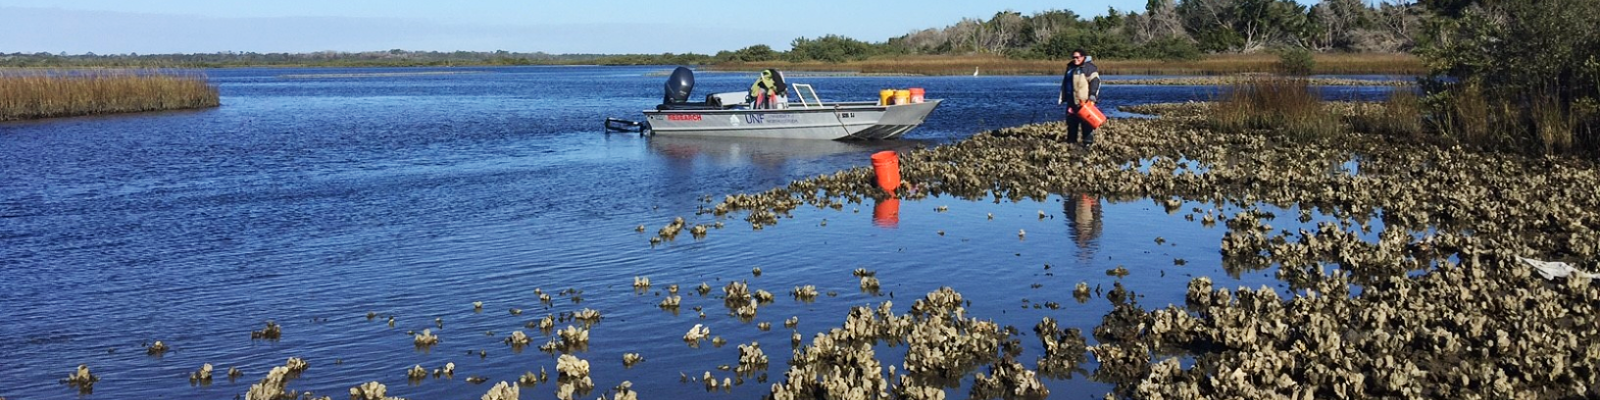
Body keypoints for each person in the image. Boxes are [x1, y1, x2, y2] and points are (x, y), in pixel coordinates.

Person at [1058, 49, 1101, 148]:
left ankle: (1088, 144)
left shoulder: (1089, 68)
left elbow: (1095, 81)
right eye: (1073, 57)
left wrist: (1092, 95)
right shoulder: (1070, 67)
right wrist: (1063, 97)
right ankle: (1071, 144)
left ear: (1083, 57)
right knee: (1071, 123)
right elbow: (1066, 83)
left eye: (1077, 57)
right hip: (1071, 102)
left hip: (1085, 102)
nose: (1075, 59)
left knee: (1086, 124)